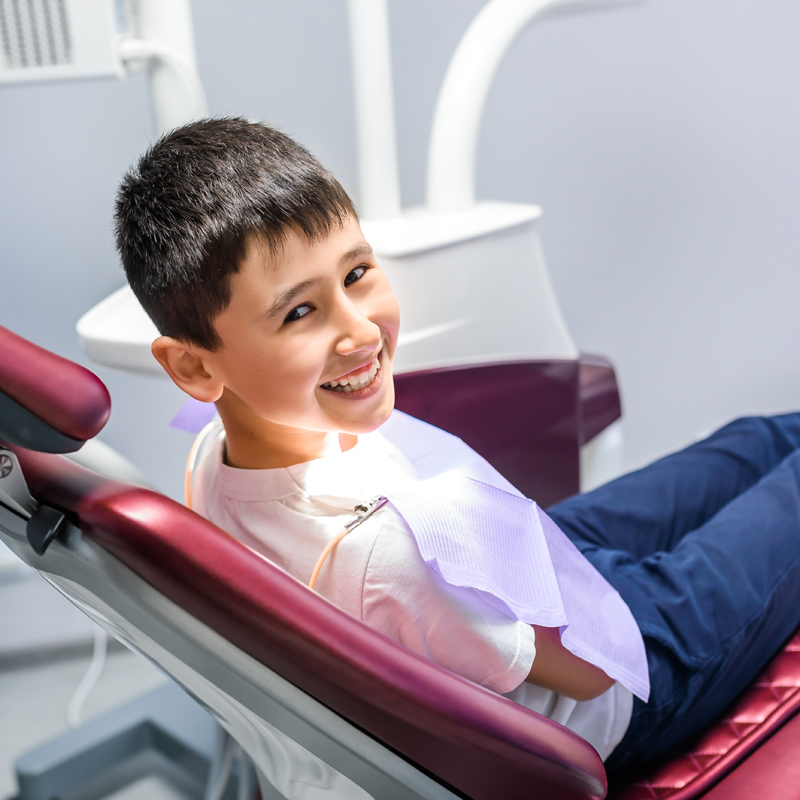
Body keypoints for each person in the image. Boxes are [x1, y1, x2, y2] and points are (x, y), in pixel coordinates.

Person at [115, 117, 800, 771]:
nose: (358, 331)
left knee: (752, 443)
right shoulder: (387, 556)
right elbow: (589, 673)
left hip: (516, 583)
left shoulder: (210, 455)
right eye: (300, 312)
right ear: (195, 366)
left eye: (356, 274)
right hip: (624, 677)